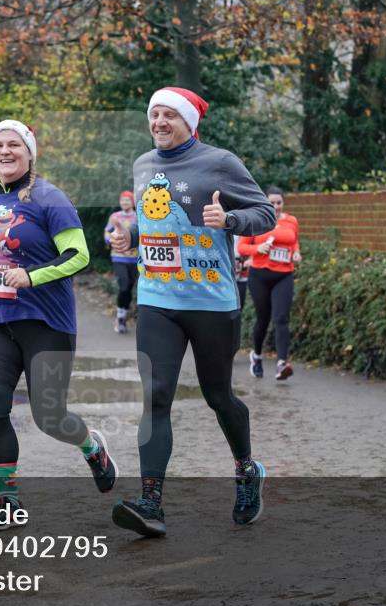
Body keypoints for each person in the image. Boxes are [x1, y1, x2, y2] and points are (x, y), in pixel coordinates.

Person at [108, 87, 275, 537]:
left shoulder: (219, 162)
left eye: (169, 115)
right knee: (156, 394)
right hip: (158, 298)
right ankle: (150, 502)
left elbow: (265, 214)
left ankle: (246, 470)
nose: (159, 122)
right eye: (154, 114)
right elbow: (153, 220)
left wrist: (232, 222)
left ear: (188, 122)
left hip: (211, 300)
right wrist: (132, 237)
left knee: (217, 395)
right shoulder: (143, 165)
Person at [0, 119, 118, 531]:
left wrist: (32, 276)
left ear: (29, 152)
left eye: (14, 145)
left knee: (49, 416)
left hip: (46, 321)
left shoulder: (50, 198)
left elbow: (78, 256)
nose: (5, 152)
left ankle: (92, 447)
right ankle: (9, 502)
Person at [238, 186, 300, 381]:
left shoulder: (291, 221)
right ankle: (256, 356)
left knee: (281, 318)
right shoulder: (256, 221)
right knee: (263, 320)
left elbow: (294, 242)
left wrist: (297, 252)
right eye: (271, 203)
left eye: (279, 203)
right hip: (260, 275)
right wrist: (258, 248)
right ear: (265, 202)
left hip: (284, 274)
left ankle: (282, 363)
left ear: (283, 203)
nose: (275, 206)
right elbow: (242, 247)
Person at [104, 190, 139, 334]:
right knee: (123, 285)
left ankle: (123, 316)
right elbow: (107, 231)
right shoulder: (115, 216)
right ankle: (119, 317)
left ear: (132, 202)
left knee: (129, 288)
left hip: (134, 258)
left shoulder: (138, 216)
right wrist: (109, 241)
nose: (125, 202)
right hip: (119, 257)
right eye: (123, 200)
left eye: (127, 200)